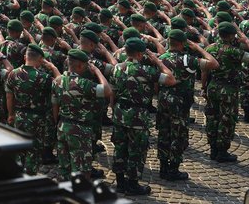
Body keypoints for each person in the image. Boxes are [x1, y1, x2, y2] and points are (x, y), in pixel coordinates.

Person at [110, 38, 176, 195]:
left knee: (120, 147)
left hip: (120, 112)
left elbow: (112, 91)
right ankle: (132, 184)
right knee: (136, 150)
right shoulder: (145, 71)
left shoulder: (117, 68)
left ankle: (120, 182)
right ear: (140, 54)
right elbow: (170, 79)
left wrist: (113, 107)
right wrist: (158, 62)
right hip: (138, 115)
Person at [157, 30, 218, 181]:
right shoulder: (187, 60)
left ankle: (163, 167)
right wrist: (198, 48)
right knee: (178, 135)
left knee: (164, 132)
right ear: (183, 43)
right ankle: (173, 169)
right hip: (180, 102)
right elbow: (213, 63)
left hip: (164, 99)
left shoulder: (162, 58)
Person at [52, 49, 113, 181]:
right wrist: (97, 71)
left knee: (64, 166)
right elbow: (107, 90)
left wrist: (58, 122)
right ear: (80, 65)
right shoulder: (83, 83)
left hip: (62, 126)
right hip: (80, 129)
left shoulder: (57, 81)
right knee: (83, 169)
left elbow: (55, 105)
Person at [5, 44, 59, 175]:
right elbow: (60, 83)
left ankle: (17, 174)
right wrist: (53, 68)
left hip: (19, 115)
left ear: (25, 57)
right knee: (33, 151)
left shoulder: (13, 74)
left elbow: (9, 96)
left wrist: (11, 114)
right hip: (37, 119)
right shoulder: (43, 77)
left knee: (19, 147)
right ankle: (29, 176)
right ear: (41, 59)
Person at [204, 22, 249, 163]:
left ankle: (213, 149)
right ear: (230, 36)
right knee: (226, 119)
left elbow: (204, 70)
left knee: (212, 117)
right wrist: (245, 40)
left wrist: (203, 86)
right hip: (228, 90)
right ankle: (222, 151)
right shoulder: (234, 51)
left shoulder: (210, 48)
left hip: (212, 86)